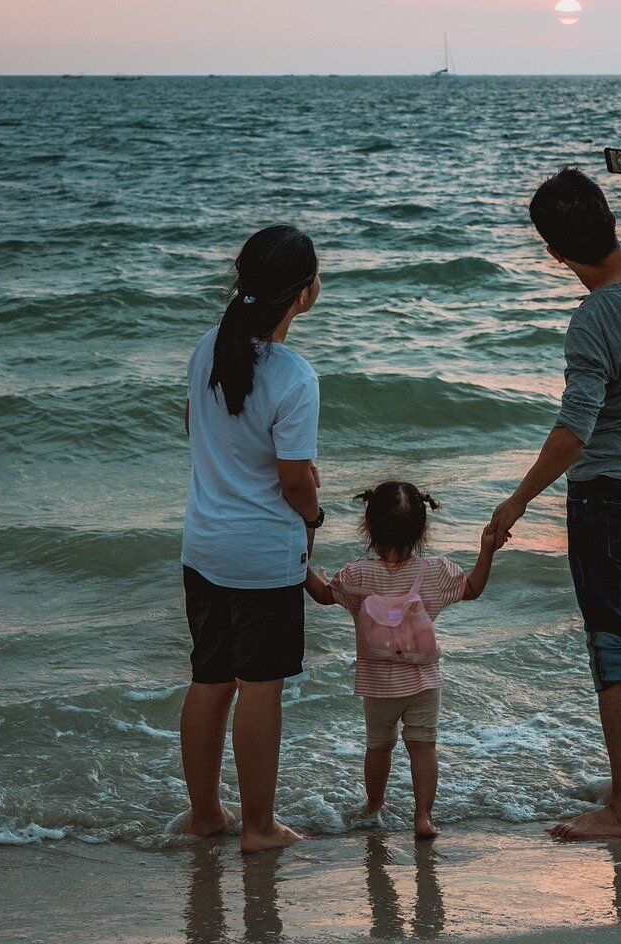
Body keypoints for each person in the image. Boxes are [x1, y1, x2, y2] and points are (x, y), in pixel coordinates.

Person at [485, 140, 621, 841]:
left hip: (606, 495)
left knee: (617, 647)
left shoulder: (592, 320)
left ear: (553, 253)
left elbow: (575, 430)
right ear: (609, 216)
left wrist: (515, 502)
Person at [179, 224, 324, 855]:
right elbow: (294, 481)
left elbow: (193, 425)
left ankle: (206, 814)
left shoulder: (207, 347)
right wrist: (315, 516)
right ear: (302, 294)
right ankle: (259, 827)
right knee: (260, 686)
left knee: (210, 680)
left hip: (203, 544)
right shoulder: (294, 376)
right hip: (262, 553)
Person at [305, 481, 498, 839]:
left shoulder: (357, 574)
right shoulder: (436, 572)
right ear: (422, 530)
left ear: (369, 526)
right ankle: (423, 816)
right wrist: (487, 549)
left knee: (378, 746)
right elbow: (473, 588)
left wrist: (300, 561)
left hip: (378, 685)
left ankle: (374, 806)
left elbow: (321, 595)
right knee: (423, 747)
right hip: (423, 683)